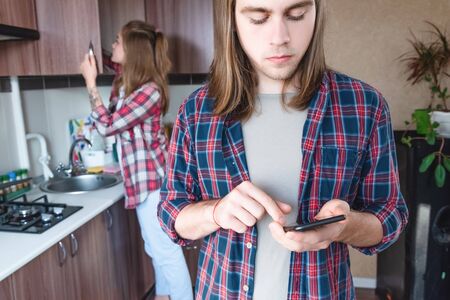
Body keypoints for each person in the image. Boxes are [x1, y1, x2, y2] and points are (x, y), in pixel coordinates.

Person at [157, 0, 409, 299]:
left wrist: (344, 226)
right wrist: (216, 212)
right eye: (258, 18)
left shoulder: (364, 106)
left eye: (296, 15)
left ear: (317, 12)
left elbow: (390, 215)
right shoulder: (197, 111)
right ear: (232, 20)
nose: (279, 37)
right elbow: (172, 213)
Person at [80, 20, 193, 300]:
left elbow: (108, 126)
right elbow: (115, 65)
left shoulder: (149, 91)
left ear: (132, 50)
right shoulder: (129, 86)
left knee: (166, 252)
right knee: (155, 248)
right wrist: (96, 57)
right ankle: (164, 297)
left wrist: (90, 84)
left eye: (118, 41)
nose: (113, 45)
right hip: (143, 185)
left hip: (155, 186)